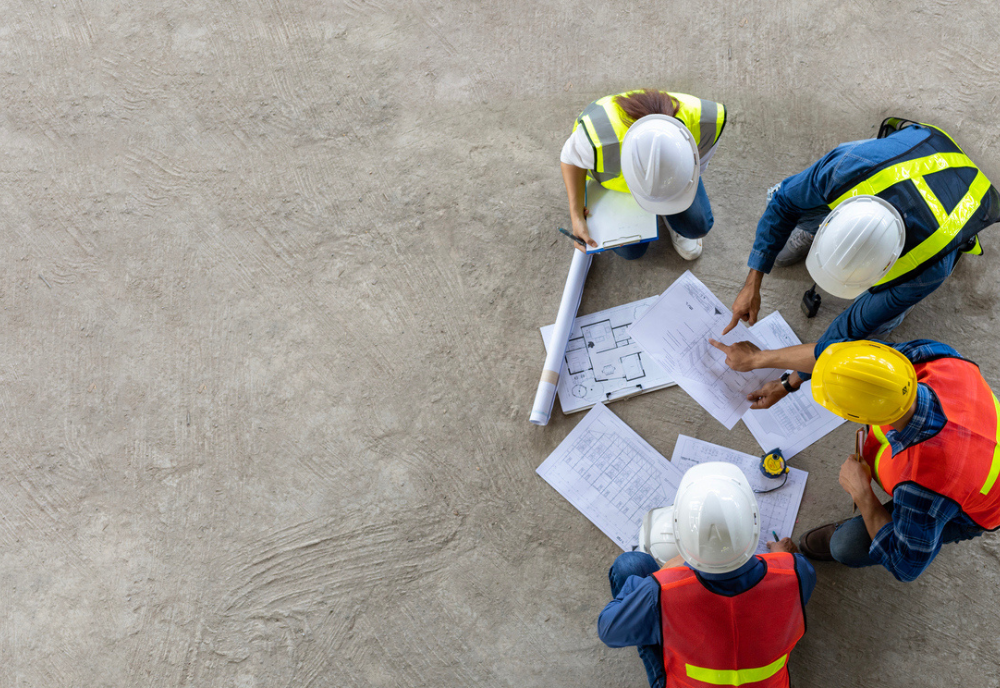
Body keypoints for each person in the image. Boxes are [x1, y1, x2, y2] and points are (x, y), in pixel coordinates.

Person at [722, 118, 998, 407]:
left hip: (953, 190)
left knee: (879, 324)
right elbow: (783, 205)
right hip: (909, 155)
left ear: (886, 267)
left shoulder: (924, 273)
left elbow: (841, 338)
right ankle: (811, 222)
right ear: (836, 219)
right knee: (781, 195)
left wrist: (779, 377)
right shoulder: (846, 168)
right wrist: (752, 282)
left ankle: (890, 307)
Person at [709, 338, 1000, 582]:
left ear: (860, 417)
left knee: (845, 546)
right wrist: (786, 381)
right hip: (972, 453)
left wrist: (863, 495)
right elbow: (842, 363)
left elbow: (907, 566)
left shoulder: (923, 484)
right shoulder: (933, 358)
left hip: (978, 505)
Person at [598, 463, 815, 688]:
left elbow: (608, 630)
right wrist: (782, 558)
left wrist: (663, 577)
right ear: (753, 525)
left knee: (630, 565)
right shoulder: (797, 571)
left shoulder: (661, 593)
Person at [561, 89, 726, 261]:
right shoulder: (597, 140)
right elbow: (569, 159)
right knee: (631, 251)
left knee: (697, 225)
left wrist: (670, 189)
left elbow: (699, 168)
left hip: (671, 182)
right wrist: (576, 216)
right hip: (615, 188)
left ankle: (673, 217)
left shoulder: (706, 123)